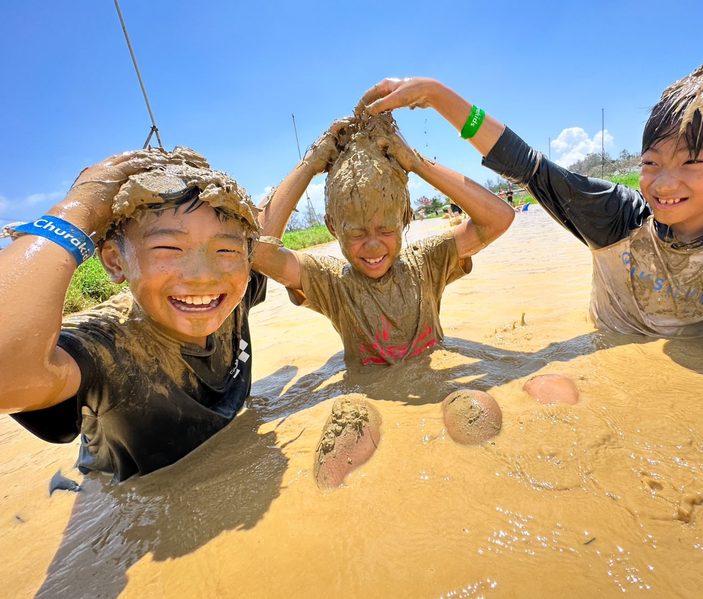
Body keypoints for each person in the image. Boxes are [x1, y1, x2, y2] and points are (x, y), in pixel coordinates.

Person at [358, 50, 703, 519]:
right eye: (651, 163)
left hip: (696, 361)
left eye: (692, 161)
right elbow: (529, 166)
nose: (664, 183)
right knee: (551, 392)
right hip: (610, 346)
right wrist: (437, 95)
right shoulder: (615, 217)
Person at [0, 148, 269, 482]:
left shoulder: (231, 298)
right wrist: (75, 211)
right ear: (114, 261)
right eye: (169, 248)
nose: (203, 275)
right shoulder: (105, 345)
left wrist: (312, 163)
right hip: (129, 497)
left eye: (227, 250)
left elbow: (269, 230)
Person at [257, 112, 514, 369]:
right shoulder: (331, 282)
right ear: (333, 227)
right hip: (367, 396)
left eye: (386, 230)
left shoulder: (427, 263)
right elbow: (260, 252)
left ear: (404, 217)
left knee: (474, 406)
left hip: (433, 376)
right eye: (357, 234)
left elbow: (498, 218)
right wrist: (311, 163)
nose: (373, 246)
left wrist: (415, 163)